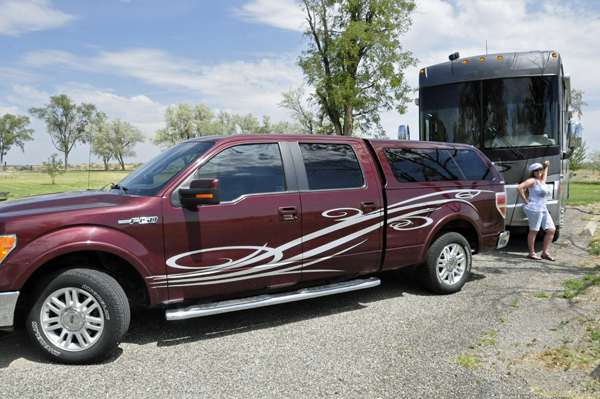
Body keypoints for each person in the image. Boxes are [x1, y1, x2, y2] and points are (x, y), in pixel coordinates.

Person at [517, 161, 556, 260]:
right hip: (534, 208)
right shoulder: (532, 180)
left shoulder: (542, 181)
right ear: (533, 172)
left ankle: (545, 253)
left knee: (551, 230)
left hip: (543, 209)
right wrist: (525, 200)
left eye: (540, 169)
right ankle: (532, 253)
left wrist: (546, 167)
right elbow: (519, 187)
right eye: (536, 170)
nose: (539, 171)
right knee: (534, 230)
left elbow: (544, 175)